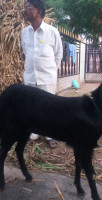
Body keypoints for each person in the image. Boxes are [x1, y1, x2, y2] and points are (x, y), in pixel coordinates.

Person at [21, 0, 63, 148]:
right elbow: (26, 52)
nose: (25, 10)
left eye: (28, 7)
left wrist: (50, 71)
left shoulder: (52, 32)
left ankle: (50, 135)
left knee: (48, 107)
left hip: (47, 78)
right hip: (30, 77)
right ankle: (32, 134)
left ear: (38, 11)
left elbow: (58, 55)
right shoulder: (24, 33)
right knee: (31, 108)